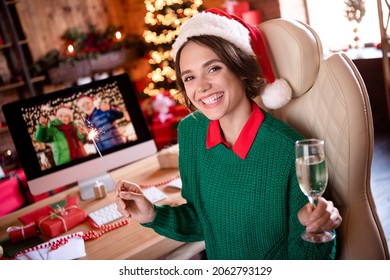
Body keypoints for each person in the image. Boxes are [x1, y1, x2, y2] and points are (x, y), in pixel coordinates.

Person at [115, 8, 342, 260]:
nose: (201, 87)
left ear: (241, 69)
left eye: (213, 69)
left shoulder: (289, 149)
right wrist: (153, 214)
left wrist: (313, 226)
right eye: (189, 77)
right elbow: (204, 221)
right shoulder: (191, 132)